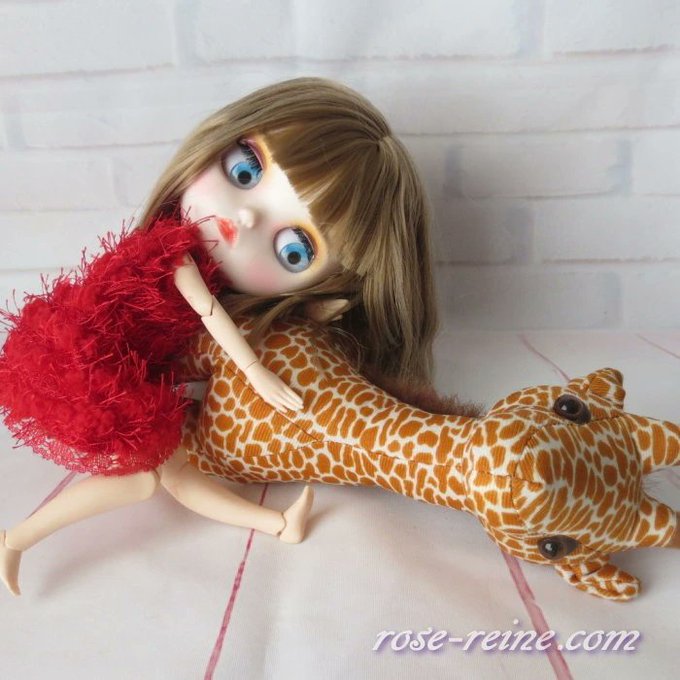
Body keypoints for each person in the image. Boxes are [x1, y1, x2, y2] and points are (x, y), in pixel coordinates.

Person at [0, 77, 438, 595]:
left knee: (174, 472)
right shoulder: (172, 254)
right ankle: (17, 539)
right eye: (245, 170)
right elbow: (209, 313)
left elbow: (211, 328)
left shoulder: (216, 281)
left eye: (295, 250)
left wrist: (309, 315)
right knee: (144, 479)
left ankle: (278, 524)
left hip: (121, 370)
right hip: (85, 365)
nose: (246, 217)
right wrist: (256, 372)